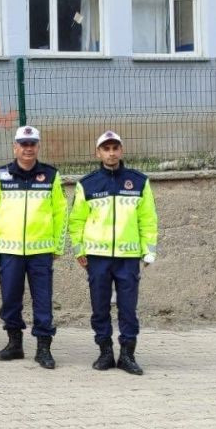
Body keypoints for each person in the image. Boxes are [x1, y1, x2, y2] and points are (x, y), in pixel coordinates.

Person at [67, 131, 159, 376]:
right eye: (105, 149)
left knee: (128, 308)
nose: (111, 153)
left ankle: (127, 355)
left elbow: (148, 219)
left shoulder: (139, 181)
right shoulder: (87, 184)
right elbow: (76, 221)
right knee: (100, 307)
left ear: (121, 151)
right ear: (98, 153)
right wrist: (79, 250)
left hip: (128, 258)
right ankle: (105, 352)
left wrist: (149, 251)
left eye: (115, 148)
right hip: (97, 257)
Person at [0, 125, 67, 370]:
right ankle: (14, 344)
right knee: (10, 299)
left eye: (32, 144)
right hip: (9, 251)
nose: (27, 149)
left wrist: (57, 247)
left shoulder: (51, 175)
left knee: (43, 300)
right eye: (23, 144)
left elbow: (61, 212)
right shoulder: (1, 175)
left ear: (38, 147)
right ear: (15, 147)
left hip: (41, 251)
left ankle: (43, 349)